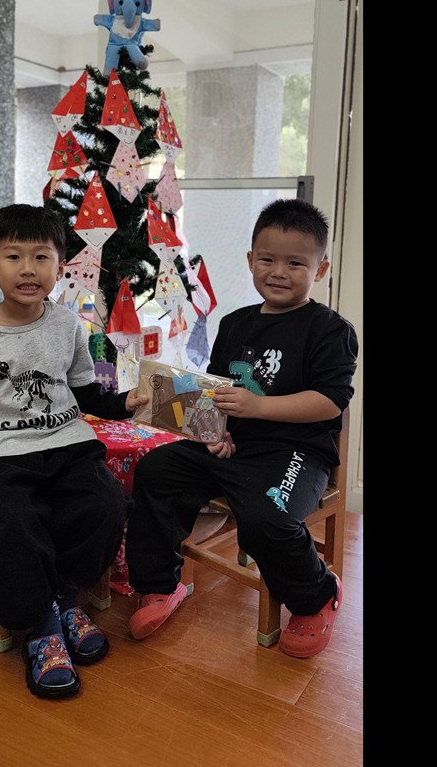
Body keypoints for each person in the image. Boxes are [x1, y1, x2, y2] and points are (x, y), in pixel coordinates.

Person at [125, 198, 358, 659]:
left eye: (296, 263)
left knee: (267, 518)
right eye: (267, 259)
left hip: (295, 451)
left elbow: (330, 401)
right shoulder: (234, 324)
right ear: (251, 261)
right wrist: (218, 431)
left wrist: (259, 405)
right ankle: (160, 584)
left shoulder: (330, 329)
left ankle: (317, 595)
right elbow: (217, 392)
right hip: (234, 447)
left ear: (321, 269)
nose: (279, 272)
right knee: (154, 471)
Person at [0, 204, 148, 700]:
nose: (28, 269)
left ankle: (64, 596)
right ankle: (40, 624)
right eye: (13, 257)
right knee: (10, 520)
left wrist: (124, 403)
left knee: (105, 504)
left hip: (66, 442)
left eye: (41, 257)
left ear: (60, 266)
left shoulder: (68, 325)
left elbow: (85, 393)